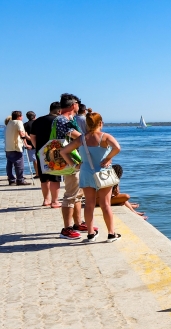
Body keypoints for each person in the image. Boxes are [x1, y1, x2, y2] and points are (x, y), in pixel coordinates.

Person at [61, 112, 121, 242]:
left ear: (87, 124)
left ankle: (90, 233)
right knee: (106, 205)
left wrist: (75, 165)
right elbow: (117, 148)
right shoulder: (105, 137)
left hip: (86, 172)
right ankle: (111, 234)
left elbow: (63, 151)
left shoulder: (81, 139)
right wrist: (108, 158)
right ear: (100, 123)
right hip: (103, 173)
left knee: (89, 204)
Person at [54, 94, 85, 240]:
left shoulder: (67, 119)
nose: (79, 106)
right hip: (69, 161)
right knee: (70, 195)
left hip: (74, 160)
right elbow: (77, 137)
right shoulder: (62, 120)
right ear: (73, 105)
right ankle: (66, 229)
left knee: (77, 194)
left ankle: (77, 223)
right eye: (78, 103)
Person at [29, 102, 62, 207]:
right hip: (55, 151)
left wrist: (38, 148)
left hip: (41, 151)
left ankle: (46, 200)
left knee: (44, 178)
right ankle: (55, 201)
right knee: (55, 178)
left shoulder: (37, 121)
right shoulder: (58, 120)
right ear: (59, 111)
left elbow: (32, 137)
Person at [5, 111, 31, 186]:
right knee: (19, 164)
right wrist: (26, 144)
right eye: (21, 116)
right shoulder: (19, 122)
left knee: (9, 164)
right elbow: (21, 133)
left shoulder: (9, 123)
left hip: (8, 147)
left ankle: (11, 180)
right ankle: (20, 180)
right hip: (16, 147)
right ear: (19, 116)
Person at [23, 111, 37, 178]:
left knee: (35, 160)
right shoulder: (38, 123)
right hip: (39, 143)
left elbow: (25, 135)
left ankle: (37, 173)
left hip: (30, 144)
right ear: (35, 116)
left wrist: (31, 140)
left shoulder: (25, 124)